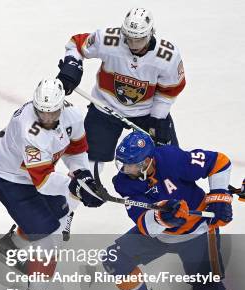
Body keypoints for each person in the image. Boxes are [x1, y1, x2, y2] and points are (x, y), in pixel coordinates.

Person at [102, 130, 244, 290]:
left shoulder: (172, 158)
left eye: (132, 165)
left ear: (147, 161)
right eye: (123, 164)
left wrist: (218, 199)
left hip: (198, 233)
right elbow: (144, 224)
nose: (126, 170)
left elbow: (219, 162)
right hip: (160, 234)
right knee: (114, 259)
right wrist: (163, 217)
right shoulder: (123, 182)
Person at [0, 78, 104, 290]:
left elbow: (76, 150)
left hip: (35, 174)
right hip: (9, 176)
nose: (47, 117)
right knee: (48, 240)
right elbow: (44, 182)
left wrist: (82, 174)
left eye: (53, 112)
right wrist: (76, 187)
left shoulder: (72, 116)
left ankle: (10, 246)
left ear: (62, 106)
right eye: (42, 112)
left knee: (57, 220)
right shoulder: (29, 130)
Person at [57, 7, 186, 172]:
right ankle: (83, 193)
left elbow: (170, 90)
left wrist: (158, 119)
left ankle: (174, 195)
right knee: (89, 160)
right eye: (129, 38)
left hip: (146, 113)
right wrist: (71, 68)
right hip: (105, 106)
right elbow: (76, 44)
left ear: (151, 33)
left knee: (168, 159)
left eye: (138, 39)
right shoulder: (108, 39)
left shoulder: (167, 56)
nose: (133, 44)